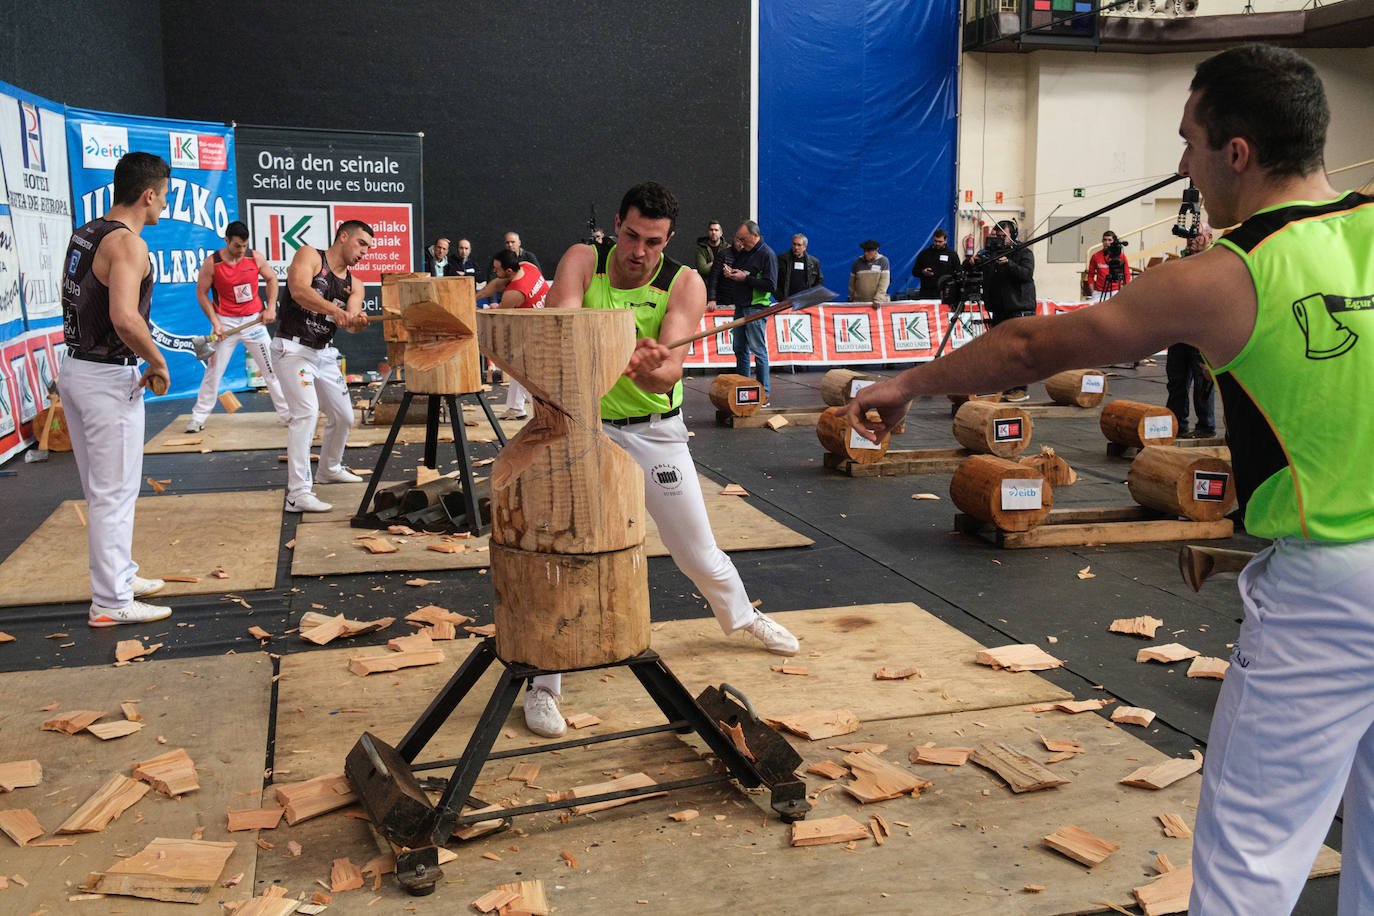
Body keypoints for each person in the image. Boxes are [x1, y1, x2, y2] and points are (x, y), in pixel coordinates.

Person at [844, 45, 1374, 914]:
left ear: (1236, 153)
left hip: (1332, 589)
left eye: (1189, 142)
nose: (1182, 164)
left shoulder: (1226, 275)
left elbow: (1028, 346)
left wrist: (904, 382)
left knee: (1252, 858)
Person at [524, 182, 800, 738]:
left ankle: (742, 617)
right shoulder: (583, 259)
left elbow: (671, 372)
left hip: (655, 432)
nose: (638, 251)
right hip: (583, 429)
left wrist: (651, 363)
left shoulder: (685, 282)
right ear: (616, 228)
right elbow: (561, 328)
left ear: (669, 239)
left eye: (653, 241)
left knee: (696, 550)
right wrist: (613, 351)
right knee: (566, 552)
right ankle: (544, 683)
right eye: (630, 236)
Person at [57, 152, 173, 627]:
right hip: (107, 379)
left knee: (102, 489)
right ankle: (110, 600)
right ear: (148, 195)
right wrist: (158, 360)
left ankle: (118, 573)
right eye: (163, 197)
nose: (163, 207)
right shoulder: (129, 245)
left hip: (78, 370)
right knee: (114, 494)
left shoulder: (86, 231)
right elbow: (126, 318)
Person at [270, 220, 373, 513]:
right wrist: (334, 310)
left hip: (324, 354)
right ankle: (297, 494)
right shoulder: (311, 256)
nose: (364, 252)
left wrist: (357, 322)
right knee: (306, 413)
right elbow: (299, 290)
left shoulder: (356, 284)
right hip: (292, 349)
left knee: (344, 417)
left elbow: (350, 323)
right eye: (361, 243)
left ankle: (329, 468)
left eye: (368, 247)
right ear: (343, 237)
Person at [186, 221, 290, 432]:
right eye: (236, 246)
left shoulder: (255, 257)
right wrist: (215, 322)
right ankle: (198, 418)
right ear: (226, 241)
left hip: (253, 321)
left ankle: (289, 415)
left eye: (244, 246)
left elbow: (272, 279)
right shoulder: (212, 263)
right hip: (225, 324)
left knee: (272, 370)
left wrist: (270, 308)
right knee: (214, 372)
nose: (241, 250)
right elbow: (201, 292)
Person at [707, 220, 776, 399]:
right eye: (739, 239)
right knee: (739, 347)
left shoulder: (767, 254)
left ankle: (764, 393)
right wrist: (732, 273)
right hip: (741, 305)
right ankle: (743, 388)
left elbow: (770, 285)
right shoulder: (745, 252)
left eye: (744, 239)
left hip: (757, 307)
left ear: (755, 235)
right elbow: (743, 273)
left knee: (758, 351)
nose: (741, 243)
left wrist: (745, 278)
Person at [970, 220, 1036, 400]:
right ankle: (1005, 386)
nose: (999, 240)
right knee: (1000, 350)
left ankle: (1021, 388)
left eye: (1003, 237)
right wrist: (972, 263)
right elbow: (979, 273)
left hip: (1019, 308)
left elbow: (1026, 274)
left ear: (1012, 235)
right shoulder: (990, 254)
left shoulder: (1024, 253)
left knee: (1018, 350)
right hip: (999, 308)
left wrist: (1008, 264)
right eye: (996, 237)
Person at [1166, 222, 1218, 438]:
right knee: (1177, 381)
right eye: (1189, 235)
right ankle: (1177, 424)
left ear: (1209, 237)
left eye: (1197, 234)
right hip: (1179, 331)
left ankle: (1205, 426)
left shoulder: (1215, 263)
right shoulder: (1182, 262)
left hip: (1201, 333)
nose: (1191, 238)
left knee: (1202, 383)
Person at [487, 249, 550, 420]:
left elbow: (501, 312)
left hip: (537, 330)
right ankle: (516, 408)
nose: (495, 272)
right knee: (517, 367)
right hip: (537, 326)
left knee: (523, 371)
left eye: (497, 269)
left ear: (509, 271)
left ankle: (546, 409)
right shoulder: (528, 267)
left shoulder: (516, 290)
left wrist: (491, 309)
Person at [913, 229, 959, 299]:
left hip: (945, 293)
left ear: (945, 240)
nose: (937, 244)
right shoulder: (924, 254)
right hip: (927, 293)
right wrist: (923, 272)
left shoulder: (952, 255)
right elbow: (914, 272)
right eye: (935, 241)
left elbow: (958, 272)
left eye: (940, 242)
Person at [776, 233, 823, 299]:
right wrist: (780, 297)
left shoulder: (814, 262)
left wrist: (812, 298)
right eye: (794, 244)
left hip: (805, 301)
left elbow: (819, 282)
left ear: (805, 247)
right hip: (785, 301)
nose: (796, 247)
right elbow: (774, 279)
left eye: (799, 245)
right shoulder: (782, 259)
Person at [1087, 230, 1132, 298]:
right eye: (1105, 240)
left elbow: (1127, 274)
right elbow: (1090, 275)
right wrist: (1093, 292)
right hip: (1099, 292)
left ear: (1113, 241)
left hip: (1116, 290)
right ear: (1102, 241)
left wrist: (1124, 288)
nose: (1107, 242)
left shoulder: (1121, 256)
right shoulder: (1095, 256)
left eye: (1109, 240)